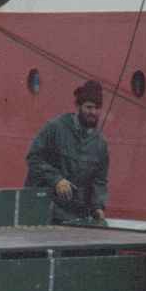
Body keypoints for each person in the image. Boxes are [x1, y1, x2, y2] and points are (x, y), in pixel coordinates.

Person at [25, 79, 110, 225]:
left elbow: (99, 180)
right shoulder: (55, 128)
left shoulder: (100, 144)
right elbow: (33, 158)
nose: (93, 112)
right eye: (89, 107)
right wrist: (56, 180)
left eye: (97, 108)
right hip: (44, 210)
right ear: (78, 106)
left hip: (74, 216)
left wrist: (98, 206)